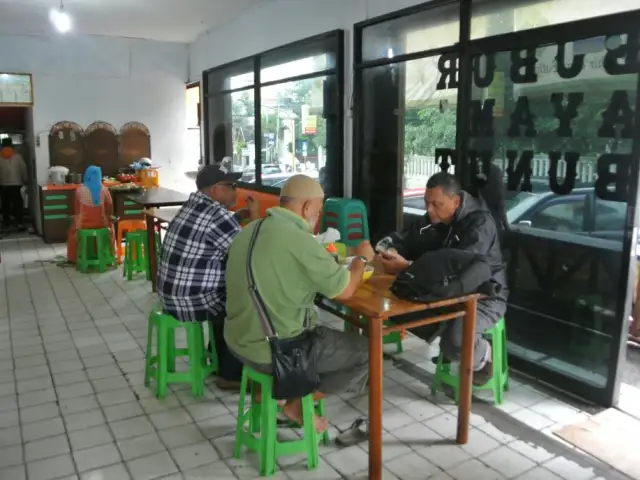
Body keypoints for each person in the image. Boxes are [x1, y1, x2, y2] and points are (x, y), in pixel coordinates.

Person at [224, 174, 374, 432]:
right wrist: (361, 260)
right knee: (367, 353)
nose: (317, 219)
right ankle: (296, 403)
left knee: (331, 344)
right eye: (318, 210)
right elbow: (346, 290)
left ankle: (274, 391)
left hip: (238, 340)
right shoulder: (299, 240)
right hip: (277, 350)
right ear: (307, 208)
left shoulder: (251, 228)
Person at [377, 172, 508, 383]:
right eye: (427, 203)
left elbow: (464, 271)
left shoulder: (479, 224)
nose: (429, 210)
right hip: (447, 288)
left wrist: (408, 267)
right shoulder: (434, 219)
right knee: (400, 309)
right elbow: (404, 237)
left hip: (485, 293)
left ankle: (483, 356)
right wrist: (386, 247)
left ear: (456, 201)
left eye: (436, 204)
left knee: (456, 339)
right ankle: (449, 348)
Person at [156, 164, 260, 390]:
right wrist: (254, 218)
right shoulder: (216, 215)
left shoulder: (195, 205)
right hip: (191, 300)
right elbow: (250, 253)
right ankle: (230, 375)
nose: (236, 191)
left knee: (227, 293)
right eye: (231, 186)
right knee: (246, 303)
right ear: (215, 190)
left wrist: (238, 217)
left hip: (170, 295)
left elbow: (217, 230)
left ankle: (219, 358)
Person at [67, 166, 114, 263]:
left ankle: (74, 259)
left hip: (83, 224)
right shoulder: (105, 190)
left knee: (72, 230)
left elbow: (77, 210)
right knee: (110, 228)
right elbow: (109, 208)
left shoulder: (79, 190)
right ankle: (108, 255)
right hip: (101, 224)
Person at [0, 138, 28, 232]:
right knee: (18, 204)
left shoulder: (0, 156)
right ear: (11, 145)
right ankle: (19, 223)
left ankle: (6, 223)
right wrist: (25, 180)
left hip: (3, 185)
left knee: (5, 205)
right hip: (16, 184)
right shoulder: (17, 156)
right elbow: (23, 169)